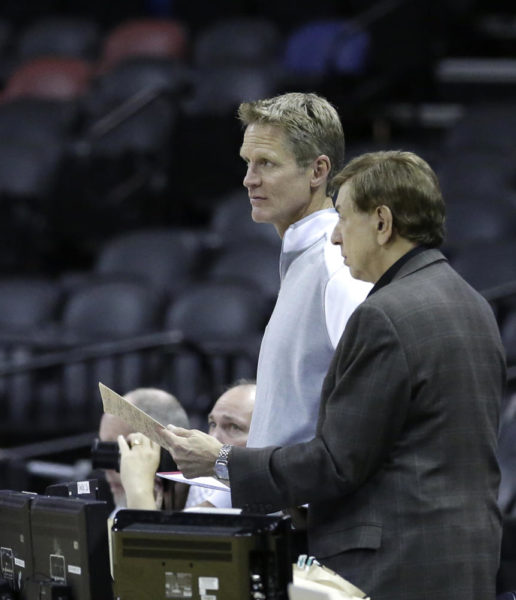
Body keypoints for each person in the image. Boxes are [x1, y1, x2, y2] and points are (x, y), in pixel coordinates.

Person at [162, 151, 504, 599]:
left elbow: (336, 464)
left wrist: (221, 460)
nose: (338, 238)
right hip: (467, 559)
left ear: (382, 223)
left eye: (343, 218)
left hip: (392, 567)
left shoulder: (383, 315)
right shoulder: (474, 304)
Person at [238, 92, 371, 448]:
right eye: (247, 163)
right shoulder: (306, 258)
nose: (249, 179)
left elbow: (373, 409)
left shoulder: (338, 265)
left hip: (312, 501)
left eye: (266, 163)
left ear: (318, 170)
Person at [97, 388, 190, 511]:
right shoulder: (115, 507)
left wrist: (139, 493)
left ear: (164, 453)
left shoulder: (211, 504)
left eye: (119, 450)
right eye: (103, 449)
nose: (106, 468)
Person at [184, 380, 255, 509]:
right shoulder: (201, 478)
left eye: (233, 427)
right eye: (212, 424)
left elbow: (182, 528)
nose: (213, 437)